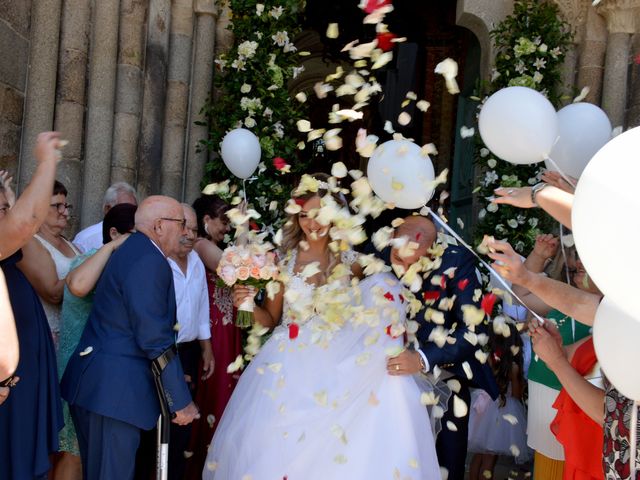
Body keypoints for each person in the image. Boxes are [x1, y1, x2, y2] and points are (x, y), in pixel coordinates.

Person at [203, 174, 442, 479]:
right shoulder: (283, 262)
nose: (311, 223)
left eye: (318, 215)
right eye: (303, 216)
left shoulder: (356, 262)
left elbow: (381, 303)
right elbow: (270, 320)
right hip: (288, 366)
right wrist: (246, 306)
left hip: (341, 367)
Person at [61, 195, 200, 480]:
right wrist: (180, 400)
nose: (186, 232)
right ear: (159, 226)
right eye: (181, 224)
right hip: (115, 392)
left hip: (103, 388)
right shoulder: (149, 260)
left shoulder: (135, 251)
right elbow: (153, 337)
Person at [486, 236, 638, 479]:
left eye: (589, 260)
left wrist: (557, 358)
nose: (580, 262)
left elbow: (614, 409)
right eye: (578, 258)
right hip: (552, 397)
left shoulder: (613, 318)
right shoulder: (561, 299)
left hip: (581, 405)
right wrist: (537, 256)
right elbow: (518, 299)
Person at [381, 215, 499, 480]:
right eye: (399, 260)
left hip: (446, 381)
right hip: (385, 381)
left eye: (417, 263)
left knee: (446, 466)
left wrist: (423, 358)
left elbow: (474, 330)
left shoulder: (458, 261)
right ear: (390, 240)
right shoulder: (374, 254)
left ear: (433, 250)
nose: (405, 270)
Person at [54, 203, 136, 480]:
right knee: (73, 452)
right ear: (115, 234)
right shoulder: (91, 262)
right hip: (79, 365)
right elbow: (78, 286)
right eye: (133, 238)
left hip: (93, 368)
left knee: (85, 452)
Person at [0, 160, 64, 478]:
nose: (6, 213)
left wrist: (9, 199)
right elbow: (24, 224)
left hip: (25, 352)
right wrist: (47, 160)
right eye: (1, 208)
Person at [185, 194, 238, 480]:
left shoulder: (218, 246)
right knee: (214, 394)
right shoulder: (202, 245)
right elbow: (230, 270)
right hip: (213, 332)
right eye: (224, 221)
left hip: (229, 331)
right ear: (206, 220)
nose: (227, 228)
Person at [165, 204, 213, 480]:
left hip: (190, 351)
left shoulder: (195, 260)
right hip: (164, 351)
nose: (191, 235)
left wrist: (206, 348)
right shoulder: (159, 259)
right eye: (186, 228)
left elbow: (202, 305)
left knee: (184, 426)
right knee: (161, 424)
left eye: (195, 230)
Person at [18, 180, 80, 347]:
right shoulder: (30, 243)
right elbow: (53, 294)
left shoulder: (71, 245)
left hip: (75, 333)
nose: (65, 212)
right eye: (57, 206)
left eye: (66, 206)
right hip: (48, 336)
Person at [468, 320, 529, 479]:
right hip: (500, 411)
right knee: (489, 459)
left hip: (482, 406)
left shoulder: (489, 358)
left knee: (478, 456)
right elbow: (515, 396)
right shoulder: (513, 367)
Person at [73, 181, 137, 253]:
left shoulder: (138, 235)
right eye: (124, 209)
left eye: (133, 209)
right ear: (107, 209)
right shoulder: (85, 239)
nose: (131, 213)